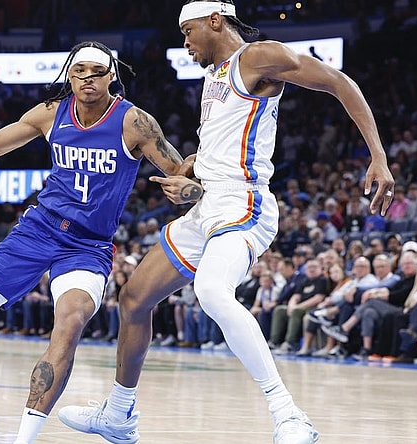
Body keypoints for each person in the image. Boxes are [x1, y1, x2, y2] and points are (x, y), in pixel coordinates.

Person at [58, 2, 394, 443]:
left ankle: (290, 415)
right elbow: (228, 140)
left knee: (212, 291)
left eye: (188, 30)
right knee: (134, 298)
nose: (185, 41)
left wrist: (378, 156)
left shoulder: (256, 57)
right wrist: (196, 165)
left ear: (215, 21)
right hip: (206, 207)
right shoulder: (213, 76)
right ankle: (119, 415)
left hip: (243, 203)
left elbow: (338, 82)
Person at [0, 41, 190, 444]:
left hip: (88, 246)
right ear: (70, 74)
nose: (87, 77)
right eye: (79, 70)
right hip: (38, 230)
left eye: (96, 71)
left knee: (68, 325)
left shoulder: (133, 122)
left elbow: (179, 170)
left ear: (111, 76)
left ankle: (23, 439)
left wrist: (188, 188)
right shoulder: (51, 112)